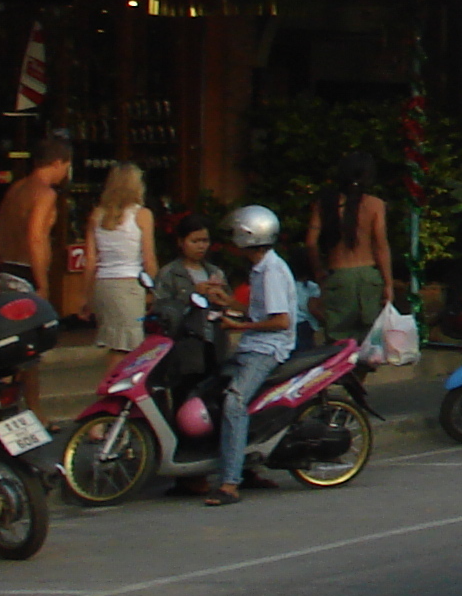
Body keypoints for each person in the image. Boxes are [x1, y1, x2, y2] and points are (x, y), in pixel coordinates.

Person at [209, 204, 299, 507]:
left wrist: (237, 325)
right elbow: (263, 311)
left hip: (267, 348)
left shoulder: (271, 271)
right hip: (253, 344)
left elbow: (280, 321)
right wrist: (231, 303)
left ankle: (231, 482)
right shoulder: (262, 267)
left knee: (234, 402)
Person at [0, 133, 70, 407]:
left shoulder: (16, 189)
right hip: (27, 273)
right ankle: (35, 413)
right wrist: (43, 281)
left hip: (8, 268)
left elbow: (1, 231)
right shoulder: (44, 193)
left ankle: (8, 406)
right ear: (58, 163)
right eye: (66, 166)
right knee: (29, 350)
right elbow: (36, 236)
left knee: (13, 347)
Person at [305, 153, 396, 342]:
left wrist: (319, 272)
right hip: (369, 279)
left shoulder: (324, 204)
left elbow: (311, 242)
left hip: (338, 278)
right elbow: (381, 246)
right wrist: (388, 284)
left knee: (336, 343)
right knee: (369, 342)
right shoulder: (375, 205)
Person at [86, 163, 158, 355]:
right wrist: (154, 290)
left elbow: (91, 260)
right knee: (127, 348)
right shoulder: (142, 215)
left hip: (103, 284)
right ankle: (113, 385)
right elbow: (148, 258)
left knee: (115, 343)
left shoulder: (97, 215)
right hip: (129, 284)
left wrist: (87, 296)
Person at [152, 220, 230, 311]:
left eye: (205, 241)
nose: (201, 246)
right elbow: (161, 308)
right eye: (195, 241)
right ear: (181, 242)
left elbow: (229, 304)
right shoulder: (169, 273)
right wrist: (192, 294)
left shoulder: (215, 272)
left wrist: (220, 297)